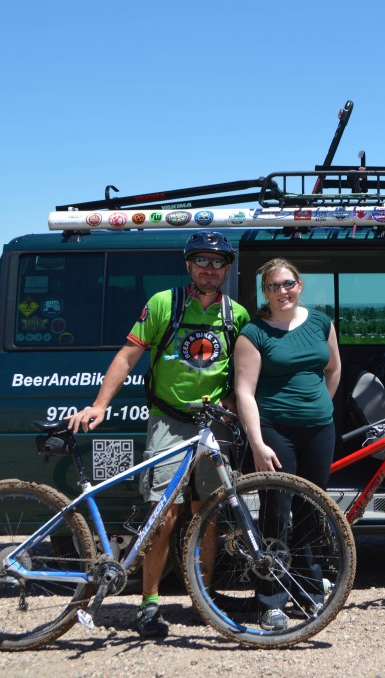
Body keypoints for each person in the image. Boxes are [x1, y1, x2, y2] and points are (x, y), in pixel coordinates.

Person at [67, 230, 249, 638]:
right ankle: (149, 603)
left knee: (209, 513)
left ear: (226, 269)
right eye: (202, 261)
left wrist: (235, 407)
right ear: (189, 266)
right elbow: (128, 355)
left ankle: (203, 596)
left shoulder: (235, 315)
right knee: (163, 517)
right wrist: (100, 404)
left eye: (218, 262)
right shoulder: (163, 303)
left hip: (212, 425)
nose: (210, 269)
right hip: (169, 421)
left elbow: (241, 372)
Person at [234, 257, 341, 631]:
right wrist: (258, 442)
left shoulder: (320, 322)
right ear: (264, 292)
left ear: (300, 285)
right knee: (277, 511)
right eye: (274, 286)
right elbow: (244, 392)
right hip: (275, 430)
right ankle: (271, 599)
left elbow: (333, 368)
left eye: (288, 284)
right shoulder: (254, 333)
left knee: (313, 508)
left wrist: (322, 407)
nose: (283, 291)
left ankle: (310, 590)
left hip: (319, 430)